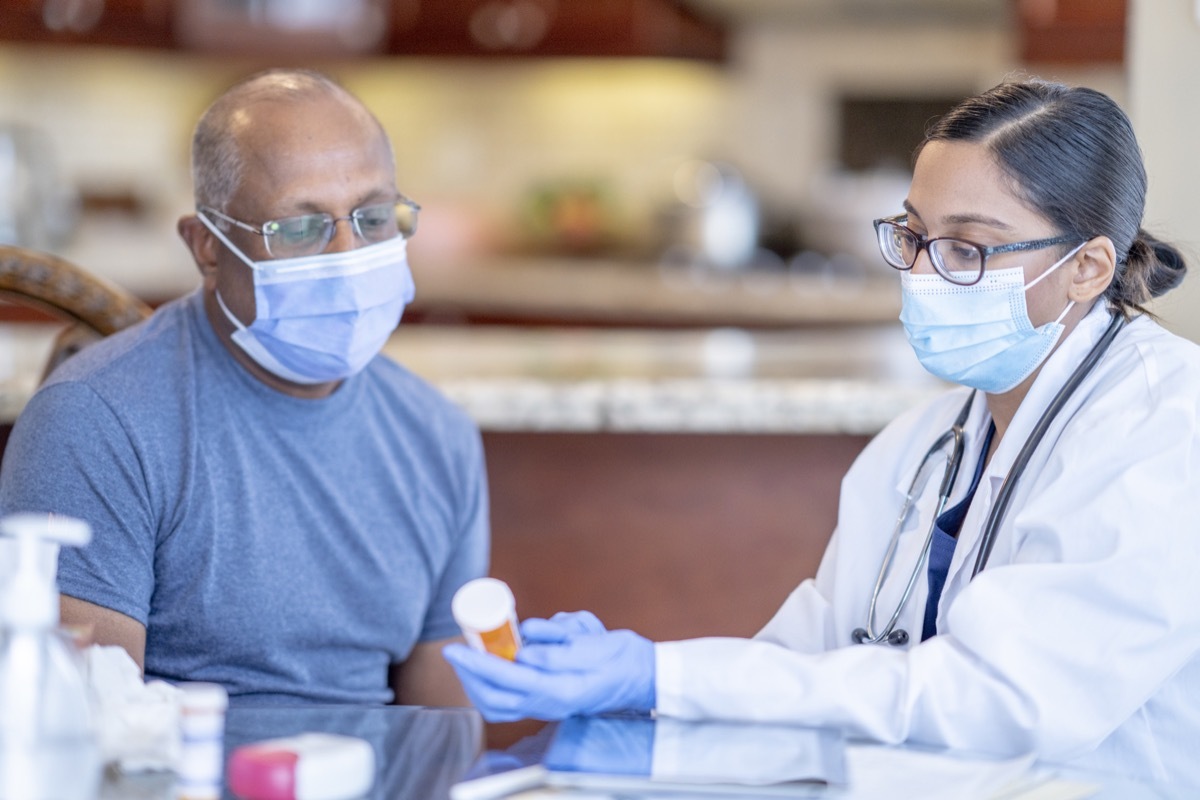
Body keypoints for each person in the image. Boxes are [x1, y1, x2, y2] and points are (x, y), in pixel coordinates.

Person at [443, 78, 1200, 786]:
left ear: (1089, 267)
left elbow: (1003, 700)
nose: (926, 275)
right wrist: (635, 687)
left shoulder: (1168, 430)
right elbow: (810, 667)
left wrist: (660, 674)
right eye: (914, 236)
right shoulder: (920, 444)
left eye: (967, 248)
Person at [0, 69, 488, 707]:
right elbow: (88, 732)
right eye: (299, 229)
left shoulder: (437, 438)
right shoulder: (96, 421)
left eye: (372, 217)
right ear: (206, 245)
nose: (347, 254)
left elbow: (440, 735)